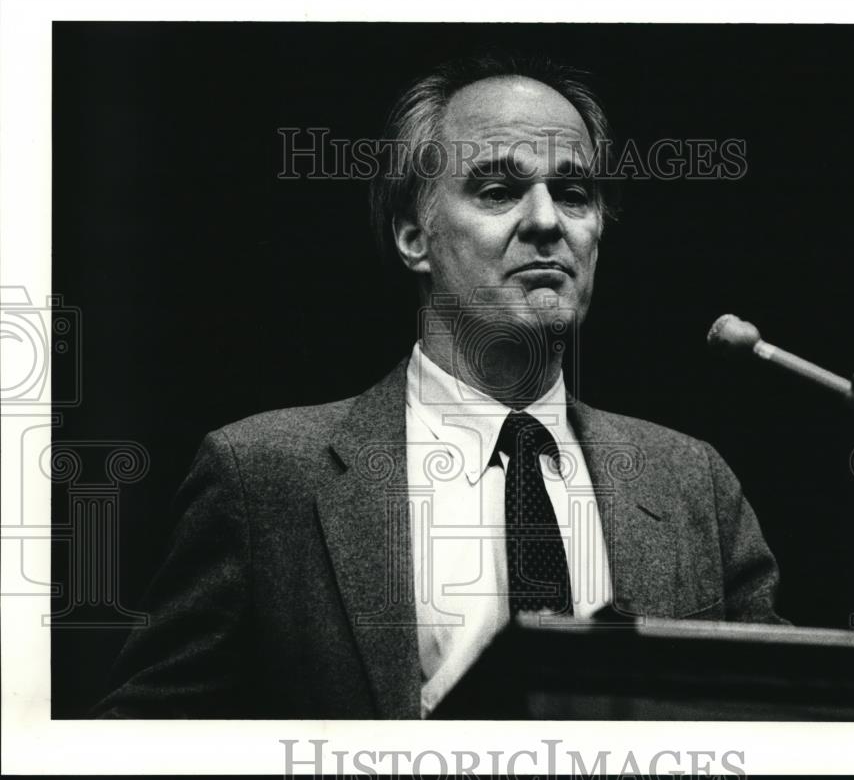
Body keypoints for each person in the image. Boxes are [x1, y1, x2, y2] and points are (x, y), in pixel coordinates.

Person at [94, 53, 784, 720]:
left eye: (574, 193)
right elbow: (140, 737)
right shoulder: (260, 476)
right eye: (498, 190)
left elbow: (787, 719)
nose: (547, 220)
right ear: (412, 237)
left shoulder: (694, 482)